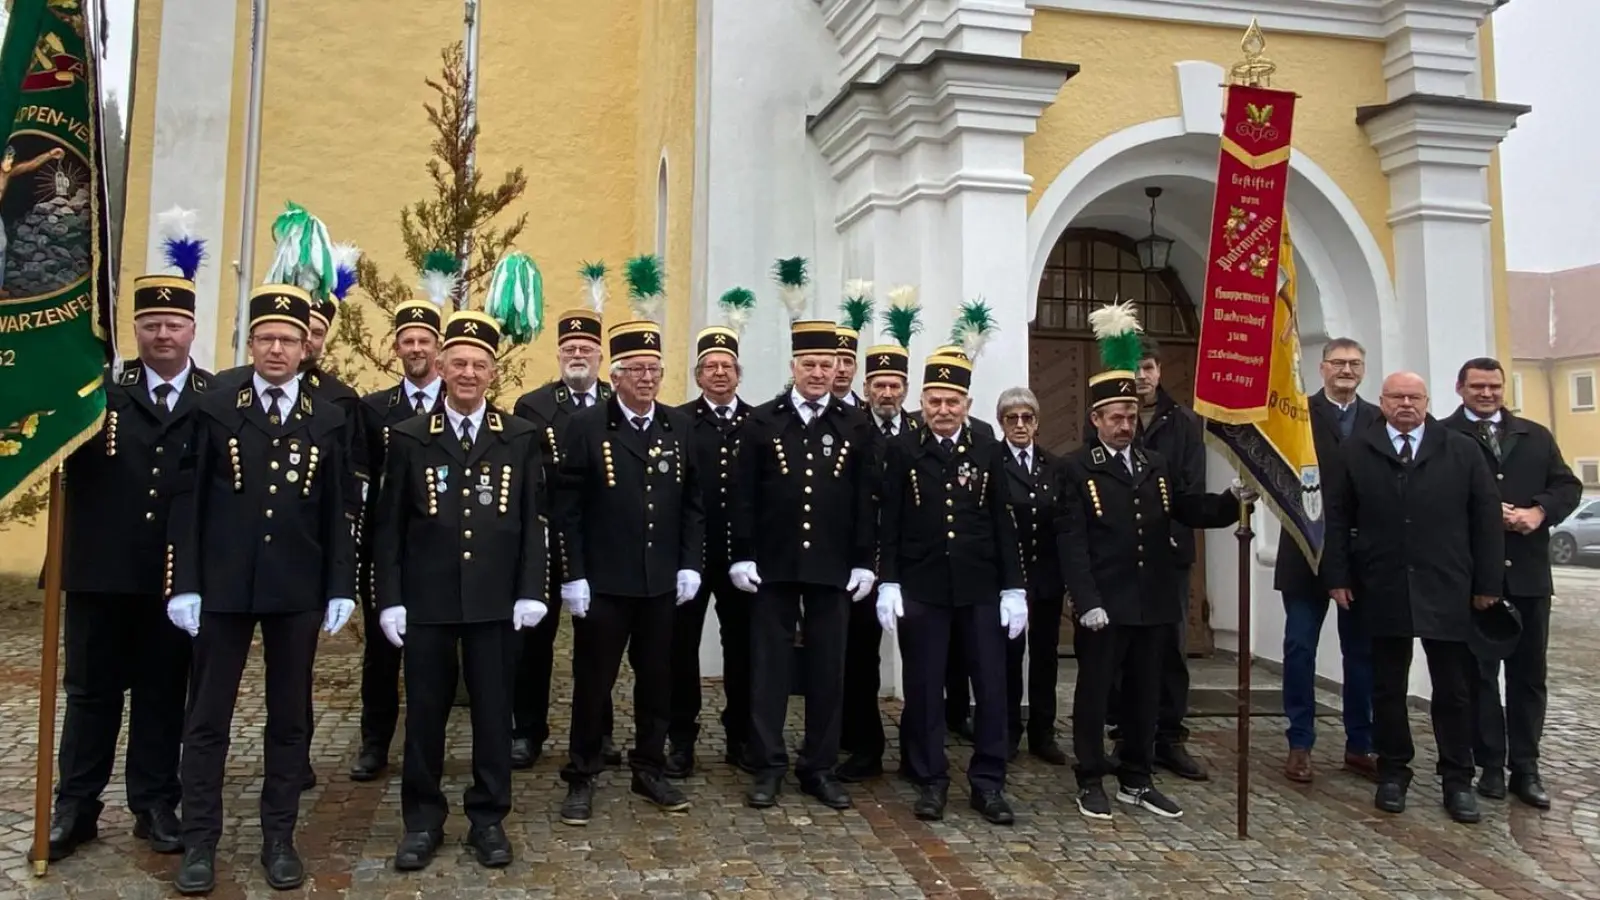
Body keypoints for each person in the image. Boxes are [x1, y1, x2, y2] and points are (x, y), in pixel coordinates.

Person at [164, 284, 357, 894]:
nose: (277, 349)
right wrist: (184, 583)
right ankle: (199, 842)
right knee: (207, 719)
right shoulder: (217, 403)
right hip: (221, 588)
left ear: (306, 349)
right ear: (250, 343)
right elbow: (188, 502)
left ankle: (279, 837)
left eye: (290, 340)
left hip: (293, 588)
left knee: (289, 719)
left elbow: (339, 510)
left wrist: (340, 586)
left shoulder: (327, 417)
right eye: (267, 338)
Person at [1056, 302, 1247, 821]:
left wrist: (1234, 497)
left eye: (1130, 416)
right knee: (1096, 696)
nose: (1125, 424)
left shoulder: (1155, 464)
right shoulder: (1077, 469)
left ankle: (1137, 777)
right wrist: (1086, 602)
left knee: (1146, 693)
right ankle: (1090, 775)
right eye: (1115, 417)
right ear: (1096, 419)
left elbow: (1188, 508)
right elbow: (1071, 541)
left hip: (1154, 600)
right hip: (1106, 604)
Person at [373, 309, 548, 871]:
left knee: (494, 713)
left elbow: (532, 522)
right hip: (427, 602)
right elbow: (389, 528)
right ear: (442, 368)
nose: (468, 373)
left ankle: (488, 818)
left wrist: (531, 590)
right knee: (425, 714)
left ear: (493, 373)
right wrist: (390, 598)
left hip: (496, 602)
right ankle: (422, 821)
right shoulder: (406, 438)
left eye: (479, 364)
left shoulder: (519, 437)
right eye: (459, 363)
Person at [48, 267, 211, 861]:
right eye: (150, 324)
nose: (162, 334)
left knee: (163, 694)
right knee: (91, 694)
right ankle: (77, 805)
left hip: (173, 580)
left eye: (173, 324)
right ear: (135, 330)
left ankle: (154, 803)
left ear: (193, 328)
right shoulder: (97, 398)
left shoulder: (213, 401)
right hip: (100, 573)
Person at [1324, 371, 1504, 824]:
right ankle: (1393, 771)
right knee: (1387, 686)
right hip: (1382, 583)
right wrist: (1338, 576)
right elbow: (1338, 517)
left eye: (1414, 397)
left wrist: (1487, 585)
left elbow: (1485, 520)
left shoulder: (1460, 449)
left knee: (1453, 689)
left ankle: (1457, 778)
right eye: (1397, 397)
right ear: (1381, 402)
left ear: (1427, 401)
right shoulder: (1356, 450)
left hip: (1448, 585)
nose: (1406, 404)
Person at [555, 319, 704, 826]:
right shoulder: (587, 426)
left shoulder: (678, 426)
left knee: (657, 680)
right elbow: (568, 507)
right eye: (636, 369)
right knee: (593, 683)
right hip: (605, 582)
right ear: (614, 375)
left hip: (660, 580)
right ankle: (582, 771)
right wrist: (573, 574)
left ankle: (649, 766)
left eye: (654, 370)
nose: (646, 378)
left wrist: (690, 562)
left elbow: (692, 504)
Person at [733, 321, 877, 810]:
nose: (818, 373)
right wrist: (742, 554)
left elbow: (864, 499)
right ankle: (769, 765)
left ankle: (818, 766)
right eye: (808, 364)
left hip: (832, 567)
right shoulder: (763, 421)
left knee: (827, 670)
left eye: (826, 365)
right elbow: (744, 495)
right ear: (793, 367)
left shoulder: (855, 424)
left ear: (838, 368)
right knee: (769, 668)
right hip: (773, 564)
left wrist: (863, 561)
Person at [877, 352, 1023, 824]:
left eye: (953, 401)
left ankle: (988, 782)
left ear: (967, 403)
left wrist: (1013, 588)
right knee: (923, 687)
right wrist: (889, 580)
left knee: (991, 686)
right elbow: (892, 523)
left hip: (979, 587)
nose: (944, 409)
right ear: (921, 401)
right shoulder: (905, 449)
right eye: (935, 400)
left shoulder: (987, 448)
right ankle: (930, 779)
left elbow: (1004, 522)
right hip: (923, 586)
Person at [1443, 357, 1580, 810]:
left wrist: (1538, 511)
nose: (1487, 394)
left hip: (1527, 576)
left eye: (1495, 386)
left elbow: (1567, 486)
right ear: (1460, 388)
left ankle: (1526, 766)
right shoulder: (1444, 437)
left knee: (1528, 677)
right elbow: (1431, 500)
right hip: (1476, 579)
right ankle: (1489, 765)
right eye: (1478, 386)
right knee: (1478, 678)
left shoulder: (1534, 436)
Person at [1084, 338, 1209, 781]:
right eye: (1136, 368)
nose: (1143, 375)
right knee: (1120, 654)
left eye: (1150, 367)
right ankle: (1125, 732)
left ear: (1160, 371)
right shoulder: (1109, 416)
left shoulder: (1183, 423)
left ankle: (1168, 736)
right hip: (1119, 561)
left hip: (1166, 555)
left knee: (1169, 648)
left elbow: (1189, 490)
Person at [511, 307, 619, 769]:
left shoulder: (618, 401)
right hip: (547, 537)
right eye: (570, 349)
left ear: (600, 356)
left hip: (598, 543)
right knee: (534, 644)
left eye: (586, 350)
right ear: (558, 355)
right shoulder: (532, 406)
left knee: (598, 644)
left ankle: (600, 731)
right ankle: (527, 731)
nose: (578, 355)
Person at [349, 299, 446, 782]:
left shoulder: (462, 400)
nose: (415, 348)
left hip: (445, 549)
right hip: (390, 546)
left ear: (439, 347)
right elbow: (363, 482)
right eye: (407, 341)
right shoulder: (374, 409)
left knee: (437, 650)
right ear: (395, 349)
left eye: (423, 340)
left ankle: (432, 743)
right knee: (382, 652)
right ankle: (374, 742)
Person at [1277, 337, 1381, 784]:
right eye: (1338, 363)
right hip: (1307, 547)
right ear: (1321, 369)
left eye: (1354, 363)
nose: (1346, 370)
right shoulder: (1297, 414)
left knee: (1361, 653)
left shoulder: (1377, 419)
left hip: (1361, 555)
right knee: (1299, 648)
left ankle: (1361, 743)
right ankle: (1300, 742)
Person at [668, 326, 754, 776]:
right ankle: (681, 736)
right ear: (698, 376)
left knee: (743, 648)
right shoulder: (679, 422)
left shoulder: (759, 423)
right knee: (680, 648)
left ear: (739, 375)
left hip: (742, 558)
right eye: (710, 367)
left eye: (727, 367)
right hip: (693, 557)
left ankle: (740, 733)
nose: (719, 373)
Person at [838, 344, 921, 781]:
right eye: (879, 385)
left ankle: (916, 751)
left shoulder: (921, 431)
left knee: (921, 659)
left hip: (912, 564)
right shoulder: (849, 429)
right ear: (866, 389)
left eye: (894, 386)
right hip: (863, 562)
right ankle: (864, 746)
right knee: (859, 659)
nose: (886, 393)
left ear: (905, 390)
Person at [994, 386, 1068, 765]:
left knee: (1045, 656)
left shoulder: (1054, 466)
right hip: (1009, 578)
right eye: (1012, 418)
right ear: (1001, 423)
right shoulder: (993, 462)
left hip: (1047, 577)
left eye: (1027, 418)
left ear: (1037, 423)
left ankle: (1043, 731)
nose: (1020, 425)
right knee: (1008, 655)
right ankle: (1007, 730)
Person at [832, 326, 864, 406]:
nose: (842, 369)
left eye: (847, 362)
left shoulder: (867, 412)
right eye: (836, 362)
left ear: (855, 368)